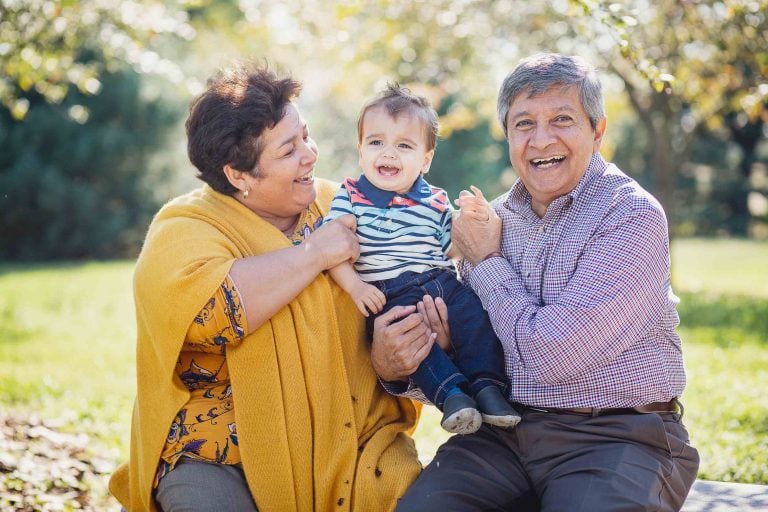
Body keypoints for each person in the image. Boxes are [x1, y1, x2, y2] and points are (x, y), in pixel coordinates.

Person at [375, 53, 700, 511]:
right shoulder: (488, 219)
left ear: (598, 131)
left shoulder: (630, 216)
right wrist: (399, 366)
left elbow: (552, 356)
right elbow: (470, 357)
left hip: (614, 436)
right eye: (523, 123)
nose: (541, 139)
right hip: (501, 435)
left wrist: (486, 261)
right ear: (507, 135)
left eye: (562, 119)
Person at [107, 63, 433, 512]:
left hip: (353, 451)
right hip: (218, 454)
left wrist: (388, 360)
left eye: (306, 135)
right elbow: (216, 311)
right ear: (239, 175)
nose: (311, 155)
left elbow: (407, 288)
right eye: (288, 151)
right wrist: (314, 254)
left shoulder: (342, 205)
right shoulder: (185, 228)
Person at [324, 84, 521, 436]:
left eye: (404, 145)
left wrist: (473, 219)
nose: (389, 154)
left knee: (474, 317)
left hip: (441, 281)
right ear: (360, 150)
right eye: (376, 142)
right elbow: (331, 247)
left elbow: (452, 250)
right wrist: (355, 287)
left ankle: (488, 388)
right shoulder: (351, 197)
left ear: (425, 159)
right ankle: (453, 398)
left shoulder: (435, 200)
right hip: (389, 294)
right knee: (413, 343)